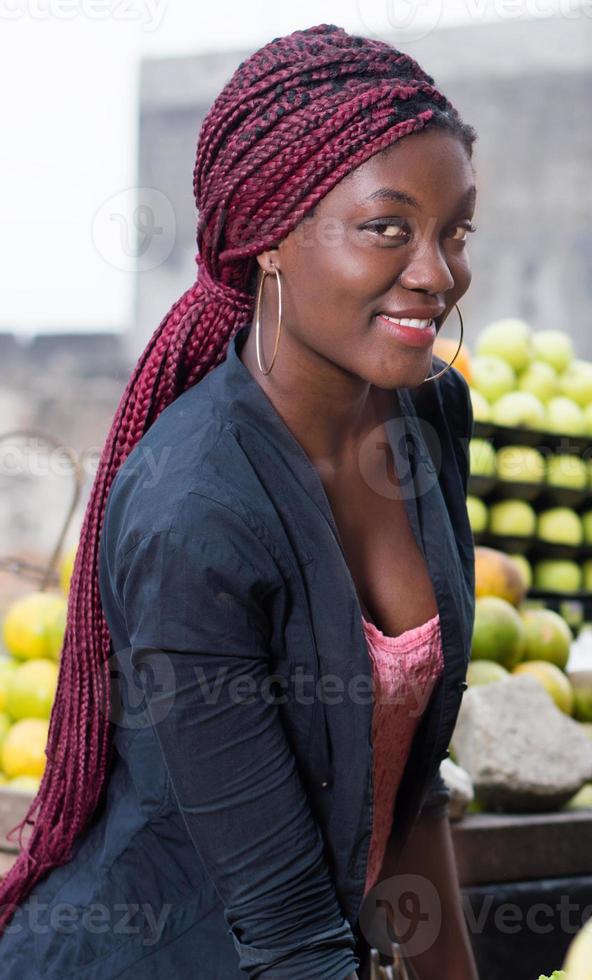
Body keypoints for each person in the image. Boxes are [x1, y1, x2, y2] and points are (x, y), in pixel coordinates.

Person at [0, 24, 481, 979]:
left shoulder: (430, 416)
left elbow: (409, 788)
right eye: (388, 228)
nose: (437, 273)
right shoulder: (195, 512)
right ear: (270, 239)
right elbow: (291, 935)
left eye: (455, 229)